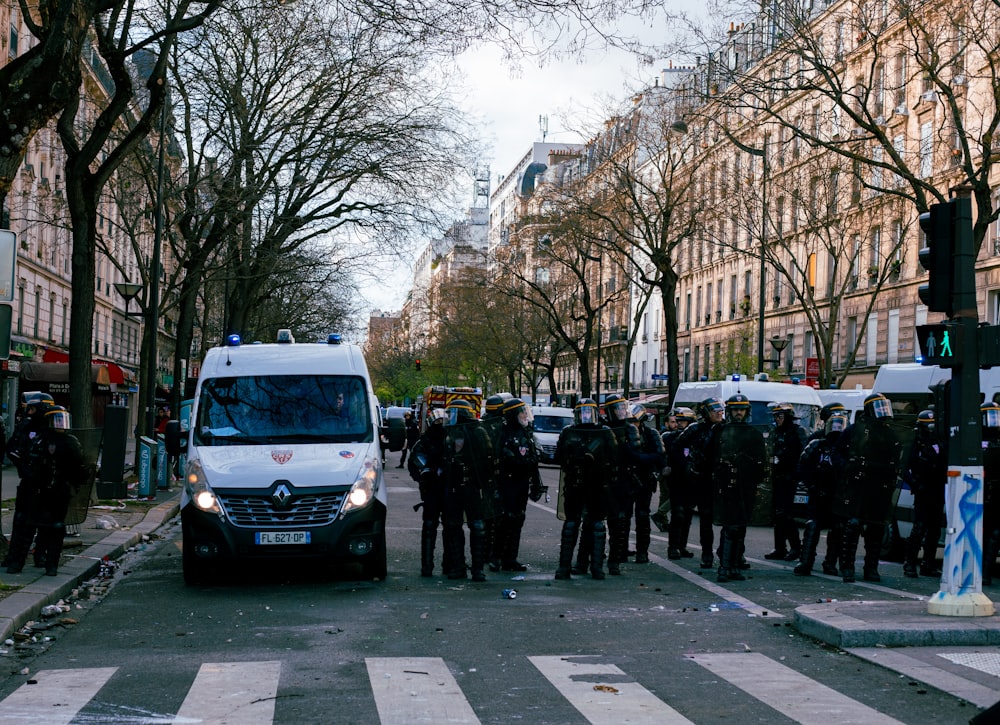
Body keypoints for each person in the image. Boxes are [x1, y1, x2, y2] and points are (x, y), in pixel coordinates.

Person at [6, 404, 87, 576]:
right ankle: (19, 563)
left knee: (55, 529)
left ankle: (50, 565)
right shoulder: (40, 440)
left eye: (61, 420)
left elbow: (79, 467)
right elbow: (29, 463)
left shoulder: (70, 442)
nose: (60, 424)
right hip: (39, 491)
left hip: (57, 491)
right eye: (56, 420)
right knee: (30, 527)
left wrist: (76, 480)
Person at [833, 392, 903, 583]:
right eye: (878, 408)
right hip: (858, 485)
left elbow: (896, 459)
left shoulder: (890, 433)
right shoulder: (855, 430)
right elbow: (837, 453)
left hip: (879, 487)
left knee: (876, 530)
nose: (882, 412)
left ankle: (871, 568)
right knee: (852, 527)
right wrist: (846, 467)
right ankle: (847, 567)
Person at [554, 398, 618, 580]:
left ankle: (596, 567)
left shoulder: (604, 432)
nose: (586, 416)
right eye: (583, 413)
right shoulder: (569, 432)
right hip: (576, 482)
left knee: (597, 525)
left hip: (598, 484)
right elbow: (559, 457)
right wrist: (576, 458)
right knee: (572, 524)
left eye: (589, 412)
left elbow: (614, 458)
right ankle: (564, 567)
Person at [440, 398, 497, 581]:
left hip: (473, 485)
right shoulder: (449, 432)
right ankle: (459, 566)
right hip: (454, 485)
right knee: (453, 526)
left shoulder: (478, 432)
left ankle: (478, 568)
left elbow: (488, 458)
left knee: (477, 526)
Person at [713, 394, 766, 582]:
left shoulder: (754, 434)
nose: (738, 413)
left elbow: (762, 462)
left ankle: (735, 565)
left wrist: (752, 472)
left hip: (746, 484)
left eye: (741, 409)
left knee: (741, 526)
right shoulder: (719, 432)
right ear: (729, 411)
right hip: (726, 484)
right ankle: (724, 567)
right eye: (735, 409)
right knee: (730, 526)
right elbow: (708, 456)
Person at [3, 392, 55, 571]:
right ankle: (15, 558)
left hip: (46, 484)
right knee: (21, 522)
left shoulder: (51, 430)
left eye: (33, 409)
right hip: (28, 482)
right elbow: (12, 447)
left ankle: (39, 555)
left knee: (44, 525)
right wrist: (22, 463)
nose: (29, 413)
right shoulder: (25, 426)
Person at [794, 411, 849, 576]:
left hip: (836, 495)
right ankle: (806, 562)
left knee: (837, 529)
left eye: (840, 425)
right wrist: (810, 485)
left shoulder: (846, 448)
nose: (837, 428)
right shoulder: (817, 445)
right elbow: (802, 465)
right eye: (834, 424)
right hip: (818, 492)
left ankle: (830, 563)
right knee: (812, 526)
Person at [492, 398, 543, 572]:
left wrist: (536, 484)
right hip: (507, 483)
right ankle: (496, 557)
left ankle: (510, 559)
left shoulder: (526, 434)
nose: (524, 414)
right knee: (504, 521)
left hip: (521, 483)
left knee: (518, 520)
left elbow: (534, 461)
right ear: (513, 415)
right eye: (521, 411)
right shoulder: (502, 433)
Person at [676, 397, 726, 570]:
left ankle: (729, 553)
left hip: (721, 479)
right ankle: (706, 554)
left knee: (729, 520)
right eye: (714, 411)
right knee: (704, 518)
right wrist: (688, 463)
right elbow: (677, 446)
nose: (719, 413)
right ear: (706, 413)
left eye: (720, 410)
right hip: (700, 478)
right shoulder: (695, 429)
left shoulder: (725, 429)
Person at [602, 394, 644, 575]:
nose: (621, 411)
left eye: (622, 407)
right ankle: (590, 559)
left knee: (619, 521)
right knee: (595, 522)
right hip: (604, 478)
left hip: (623, 479)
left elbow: (636, 453)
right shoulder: (602, 428)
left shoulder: (629, 429)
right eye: (617, 408)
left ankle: (615, 559)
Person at [902, 409, 946, 578]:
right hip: (923, 489)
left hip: (937, 489)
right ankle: (910, 563)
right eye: (928, 426)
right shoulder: (915, 443)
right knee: (919, 527)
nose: (931, 429)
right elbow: (905, 468)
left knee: (934, 530)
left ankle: (928, 563)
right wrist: (915, 484)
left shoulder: (938, 443)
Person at [407, 408, 449, 577]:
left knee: (450, 527)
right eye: (438, 422)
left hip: (448, 489)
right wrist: (424, 476)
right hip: (431, 489)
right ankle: (427, 565)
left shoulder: (451, 439)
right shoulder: (424, 442)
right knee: (430, 526)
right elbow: (414, 464)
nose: (440, 425)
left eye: (443, 422)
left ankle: (449, 564)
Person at [628, 403, 665, 564]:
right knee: (622, 516)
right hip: (626, 479)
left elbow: (660, 455)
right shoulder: (622, 433)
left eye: (634, 421)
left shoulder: (651, 434)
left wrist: (640, 459)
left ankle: (642, 551)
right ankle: (620, 549)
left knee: (642, 516)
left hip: (644, 479)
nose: (632, 425)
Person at [662, 407, 696, 559]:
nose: (680, 425)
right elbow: (664, 456)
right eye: (678, 421)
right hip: (676, 480)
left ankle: (682, 546)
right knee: (678, 514)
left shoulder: (696, 438)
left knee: (687, 515)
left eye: (683, 422)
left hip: (692, 481)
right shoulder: (669, 438)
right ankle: (673, 547)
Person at [982, 403, 1000, 585]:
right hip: (980, 494)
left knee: (993, 535)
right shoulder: (976, 438)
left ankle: (986, 572)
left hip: (995, 494)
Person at [651, 411, 678, 533]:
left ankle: (663, 520)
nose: (675, 424)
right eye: (672, 422)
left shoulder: (667, 434)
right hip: (666, 469)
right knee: (674, 495)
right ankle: (660, 514)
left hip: (666, 469)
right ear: (666, 423)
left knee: (665, 495)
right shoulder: (664, 435)